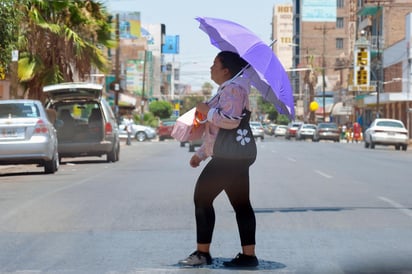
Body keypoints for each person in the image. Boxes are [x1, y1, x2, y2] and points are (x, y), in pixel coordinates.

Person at [178, 51, 258, 268]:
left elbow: (230, 122)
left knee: (202, 197)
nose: (211, 68)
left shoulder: (233, 88)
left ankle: (203, 253)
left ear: (226, 70)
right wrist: (201, 154)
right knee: (241, 204)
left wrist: (208, 110)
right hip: (237, 154)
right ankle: (248, 256)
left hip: (229, 157)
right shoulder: (230, 88)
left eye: (215, 64)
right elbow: (218, 134)